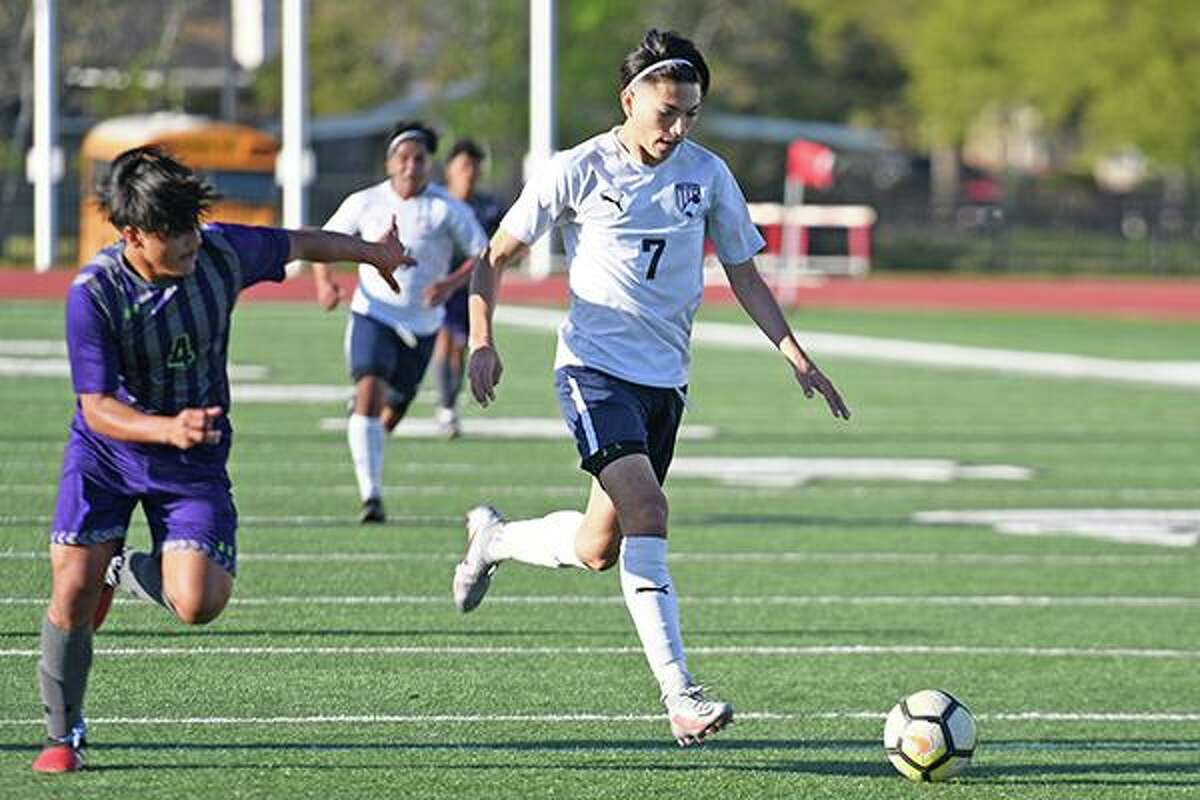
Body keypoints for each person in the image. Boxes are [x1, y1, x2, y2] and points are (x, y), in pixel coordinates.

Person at [452, 29, 850, 747]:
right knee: (649, 507)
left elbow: (746, 272)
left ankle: (494, 539)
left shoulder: (709, 175)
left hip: (666, 382)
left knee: (598, 545)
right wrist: (483, 339)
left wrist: (795, 352)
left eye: (691, 113)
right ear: (628, 100)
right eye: (666, 111)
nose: (677, 127)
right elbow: (493, 259)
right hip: (593, 371)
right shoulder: (577, 169)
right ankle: (681, 694)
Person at [34, 145, 414, 774]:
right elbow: (97, 407)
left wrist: (371, 252)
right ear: (131, 234)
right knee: (69, 586)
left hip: (193, 460)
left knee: (199, 603)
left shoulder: (220, 252)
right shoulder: (94, 293)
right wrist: (164, 426)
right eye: (171, 232)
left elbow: (297, 242)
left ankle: (121, 570)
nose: (188, 242)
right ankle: (61, 733)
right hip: (106, 453)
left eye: (192, 225)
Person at [312, 121, 489, 522]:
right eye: (403, 158)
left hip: (423, 325)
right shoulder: (365, 202)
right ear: (390, 162)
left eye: (420, 159)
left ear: (430, 165)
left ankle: (367, 438)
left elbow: (484, 254)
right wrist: (325, 283)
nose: (411, 166)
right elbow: (324, 241)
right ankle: (371, 496)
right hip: (373, 313)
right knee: (370, 393)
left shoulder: (447, 208)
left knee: (390, 413)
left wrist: (448, 285)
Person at [431, 139, 504, 438]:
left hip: (470, 286)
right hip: (437, 284)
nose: (469, 172)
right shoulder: (436, 201)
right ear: (449, 169)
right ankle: (444, 405)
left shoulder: (488, 206)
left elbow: (504, 242)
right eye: (463, 166)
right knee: (443, 341)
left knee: (460, 347)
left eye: (474, 166)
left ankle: (448, 405)